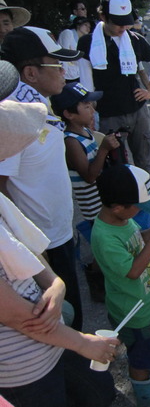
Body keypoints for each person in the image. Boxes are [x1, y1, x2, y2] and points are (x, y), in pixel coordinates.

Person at [0, 95, 118, 407]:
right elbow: (12, 312)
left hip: (51, 341)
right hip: (23, 369)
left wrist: (55, 283)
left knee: (96, 392)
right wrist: (83, 343)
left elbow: (23, 249)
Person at [0, 26, 84, 330]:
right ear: (31, 73)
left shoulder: (41, 106)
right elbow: (2, 188)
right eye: (57, 65)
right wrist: (30, 249)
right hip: (41, 245)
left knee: (73, 308)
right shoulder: (14, 119)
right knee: (64, 320)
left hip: (59, 230)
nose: (65, 71)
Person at [92, 164, 150, 407]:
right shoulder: (105, 237)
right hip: (132, 309)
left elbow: (137, 240)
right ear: (118, 207)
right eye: (138, 206)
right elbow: (133, 271)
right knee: (142, 351)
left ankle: (146, 362)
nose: (141, 210)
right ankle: (148, 396)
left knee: (144, 346)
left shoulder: (121, 221)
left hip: (141, 301)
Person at [77, 0, 150, 173]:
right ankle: (122, 199)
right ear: (103, 16)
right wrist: (90, 112)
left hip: (137, 110)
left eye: (126, 21)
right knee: (116, 162)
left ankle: (145, 194)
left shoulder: (135, 40)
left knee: (143, 158)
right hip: (108, 113)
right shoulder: (87, 43)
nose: (123, 26)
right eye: (117, 22)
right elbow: (86, 82)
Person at [50, 82, 120, 223]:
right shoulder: (71, 141)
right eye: (86, 107)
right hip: (95, 211)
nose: (92, 111)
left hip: (104, 202)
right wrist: (104, 149)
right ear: (69, 114)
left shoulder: (85, 131)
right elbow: (89, 176)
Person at [58, 16, 92, 83]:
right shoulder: (68, 33)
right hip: (65, 75)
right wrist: (63, 75)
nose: (88, 29)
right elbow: (64, 55)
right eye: (86, 25)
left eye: (89, 27)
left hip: (76, 75)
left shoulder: (83, 41)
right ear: (78, 25)